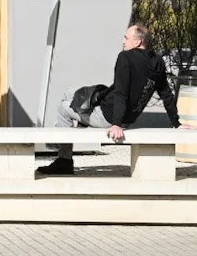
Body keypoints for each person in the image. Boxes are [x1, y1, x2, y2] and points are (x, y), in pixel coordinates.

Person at [40, 22, 188, 175]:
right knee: (69, 93)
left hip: (108, 116)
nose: (123, 41)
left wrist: (116, 124)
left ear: (137, 42)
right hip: (126, 117)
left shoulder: (125, 57)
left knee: (64, 107)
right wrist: (176, 122)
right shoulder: (157, 61)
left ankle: (64, 160)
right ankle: (70, 130)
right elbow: (166, 94)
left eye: (126, 38)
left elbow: (121, 92)